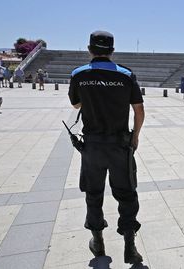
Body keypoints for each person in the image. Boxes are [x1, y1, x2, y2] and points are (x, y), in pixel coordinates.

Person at [68, 30, 145, 265]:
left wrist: (93, 98)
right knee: (127, 194)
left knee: (93, 194)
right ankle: (130, 247)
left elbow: (75, 104)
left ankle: (98, 241)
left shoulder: (79, 75)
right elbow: (139, 110)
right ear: (112, 51)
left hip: (92, 147)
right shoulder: (125, 75)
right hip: (120, 146)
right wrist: (136, 136)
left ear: (90, 49)